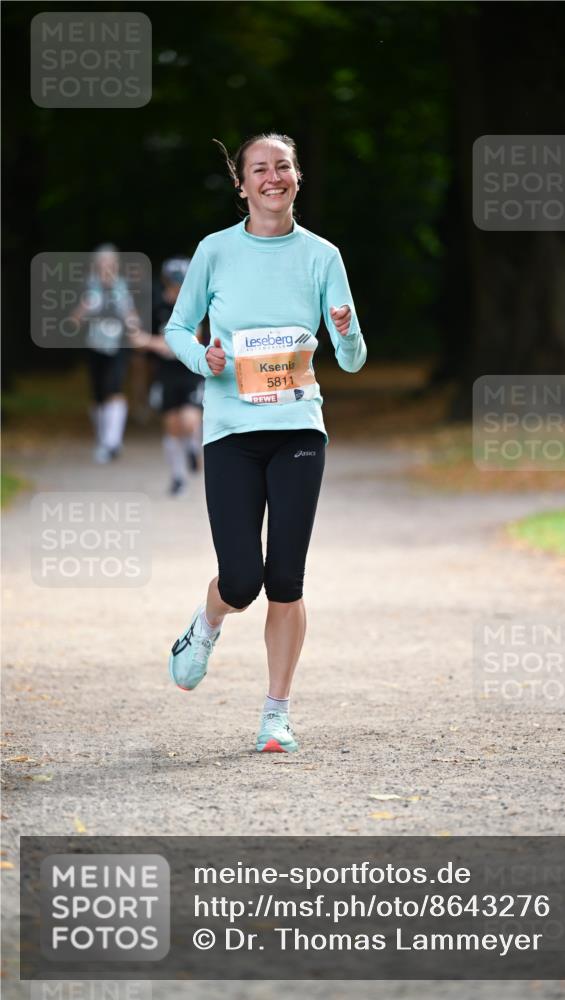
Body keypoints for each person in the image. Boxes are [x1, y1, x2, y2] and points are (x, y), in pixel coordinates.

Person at [164, 131, 367, 753]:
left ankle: (275, 714)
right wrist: (205, 357)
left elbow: (353, 361)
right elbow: (176, 327)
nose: (272, 177)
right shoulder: (215, 251)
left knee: (286, 578)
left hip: (299, 428)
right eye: (260, 168)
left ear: (297, 178)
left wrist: (346, 328)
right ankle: (206, 625)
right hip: (230, 430)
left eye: (283, 167)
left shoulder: (322, 256)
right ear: (242, 183)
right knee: (242, 579)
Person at [128, 257, 205, 495]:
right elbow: (138, 341)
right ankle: (178, 477)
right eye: (174, 283)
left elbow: (188, 342)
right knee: (172, 425)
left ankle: (194, 447)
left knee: (189, 421)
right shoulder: (157, 307)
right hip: (166, 374)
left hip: (190, 373)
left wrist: (151, 342)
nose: (178, 288)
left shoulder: (195, 306)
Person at [70, 244, 139, 463]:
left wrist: (134, 326)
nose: (107, 268)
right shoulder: (87, 288)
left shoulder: (123, 288)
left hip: (118, 346)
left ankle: (112, 441)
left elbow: (132, 317)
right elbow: (74, 321)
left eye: (111, 264)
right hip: (94, 345)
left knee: (114, 388)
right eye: (103, 264)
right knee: (98, 394)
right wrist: (85, 307)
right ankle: (103, 439)